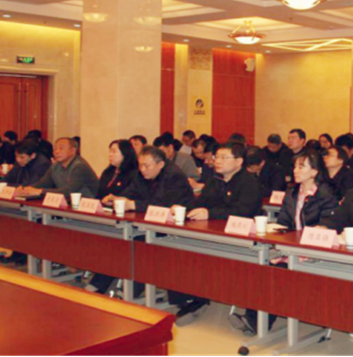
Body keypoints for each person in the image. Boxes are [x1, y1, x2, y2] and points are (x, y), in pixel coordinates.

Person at [232, 150, 338, 336]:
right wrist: (273, 228)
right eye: (295, 166)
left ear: (314, 172)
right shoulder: (293, 192)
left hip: (316, 252)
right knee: (261, 266)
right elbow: (284, 221)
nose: (295, 170)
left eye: (301, 167)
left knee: (278, 273)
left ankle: (257, 321)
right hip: (292, 248)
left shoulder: (326, 194)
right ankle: (255, 318)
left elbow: (328, 226)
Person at [170, 142, 261, 326]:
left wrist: (210, 213)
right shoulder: (214, 180)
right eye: (216, 157)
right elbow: (200, 202)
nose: (217, 161)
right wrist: (183, 208)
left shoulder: (249, 183)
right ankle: (191, 300)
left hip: (240, 239)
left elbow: (243, 211)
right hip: (211, 234)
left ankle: (201, 298)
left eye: (224, 157)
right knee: (179, 252)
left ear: (239, 161)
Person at [87, 146, 195, 296]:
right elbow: (131, 191)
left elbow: (163, 205)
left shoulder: (174, 177)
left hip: (174, 229)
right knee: (117, 238)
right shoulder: (142, 174)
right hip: (148, 224)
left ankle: (129, 292)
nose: (142, 169)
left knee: (138, 245)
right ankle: (99, 284)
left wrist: (133, 205)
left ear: (160, 164)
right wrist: (118, 199)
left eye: (146, 165)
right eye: (140, 165)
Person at [17, 138, 99, 199]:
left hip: (85, 205)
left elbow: (69, 191)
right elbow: (43, 183)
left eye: (61, 148)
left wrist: (39, 191)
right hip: (67, 203)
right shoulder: (56, 166)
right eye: (55, 148)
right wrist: (26, 189)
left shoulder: (79, 166)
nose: (56, 152)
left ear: (73, 151)